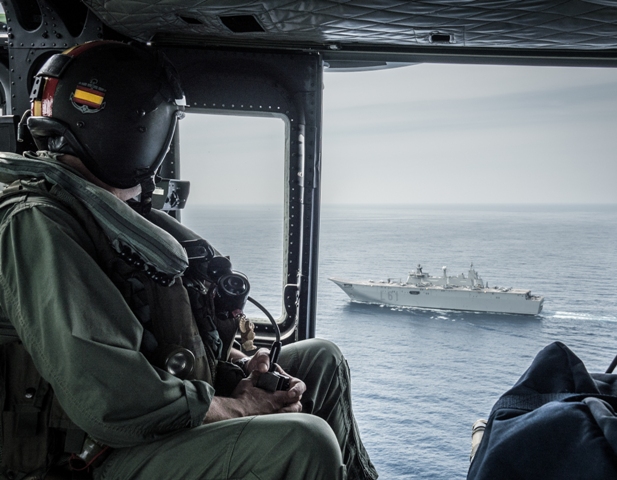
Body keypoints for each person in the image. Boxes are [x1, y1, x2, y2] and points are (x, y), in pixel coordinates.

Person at [0, 41, 378, 480]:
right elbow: (113, 402)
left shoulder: (109, 214)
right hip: (90, 455)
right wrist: (240, 405)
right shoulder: (38, 223)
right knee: (303, 442)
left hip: (137, 426)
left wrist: (238, 367)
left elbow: (158, 337)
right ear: (138, 129)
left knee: (322, 361)